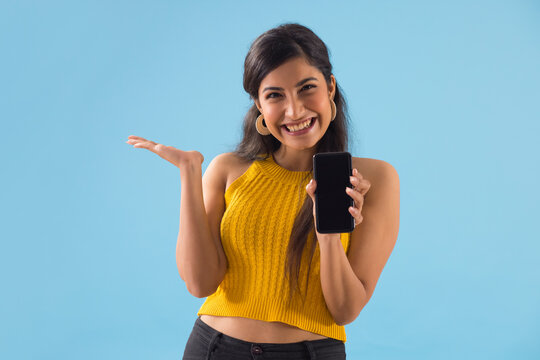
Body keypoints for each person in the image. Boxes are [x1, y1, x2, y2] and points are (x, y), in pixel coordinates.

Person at [126, 23, 399, 360]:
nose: (294, 111)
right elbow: (200, 284)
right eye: (274, 95)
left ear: (330, 87)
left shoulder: (373, 179)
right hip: (213, 347)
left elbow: (345, 310)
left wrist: (328, 233)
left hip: (309, 352)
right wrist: (189, 173)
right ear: (257, 103)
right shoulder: (229, 169)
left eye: (306, 88)